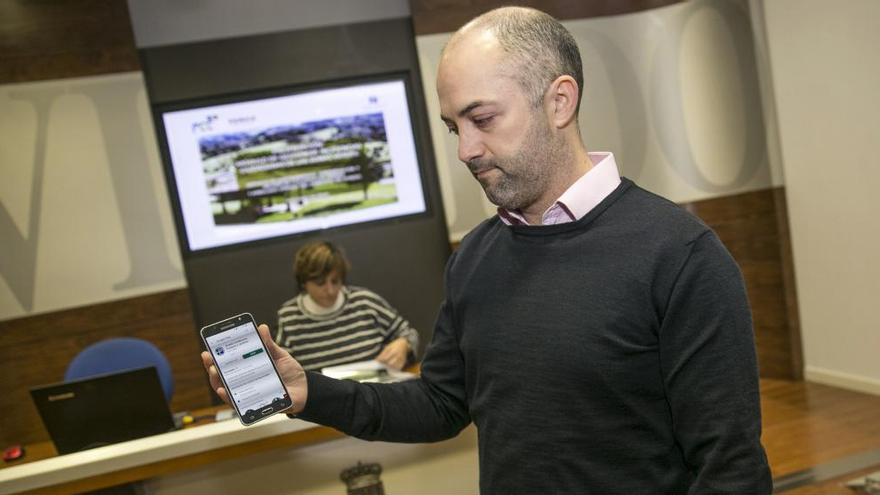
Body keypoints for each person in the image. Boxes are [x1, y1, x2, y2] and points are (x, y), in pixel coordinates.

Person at [203, 6, 772, 493]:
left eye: (482, 118)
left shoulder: (680, 255)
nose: (466, 149)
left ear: (560, 102)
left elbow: (730, 468)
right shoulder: (475, 258)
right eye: (455, 127)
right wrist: (309, 392)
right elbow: (441, 405)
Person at [275, 241, 418, 371]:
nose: (330, 290)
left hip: (374, 392)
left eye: (335, 281)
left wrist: (404, 344)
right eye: (320, 283)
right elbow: (280, 366)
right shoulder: (289, 317)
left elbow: (408, 333)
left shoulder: (365, 302)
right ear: (303, 283)